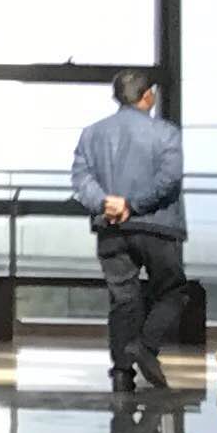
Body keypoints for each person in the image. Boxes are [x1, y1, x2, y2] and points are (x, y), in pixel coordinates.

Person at [74, 70, 192, 394]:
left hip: (111, 227)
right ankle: (145, 345)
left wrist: (107, 203)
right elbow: (169, 179)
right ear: (147, 95)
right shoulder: (166, 133)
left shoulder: (92, 134)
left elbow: (81, 180)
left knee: (123, 299)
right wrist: (134, 205)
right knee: (172, 291)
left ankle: (122, 372)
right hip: (157, 225)